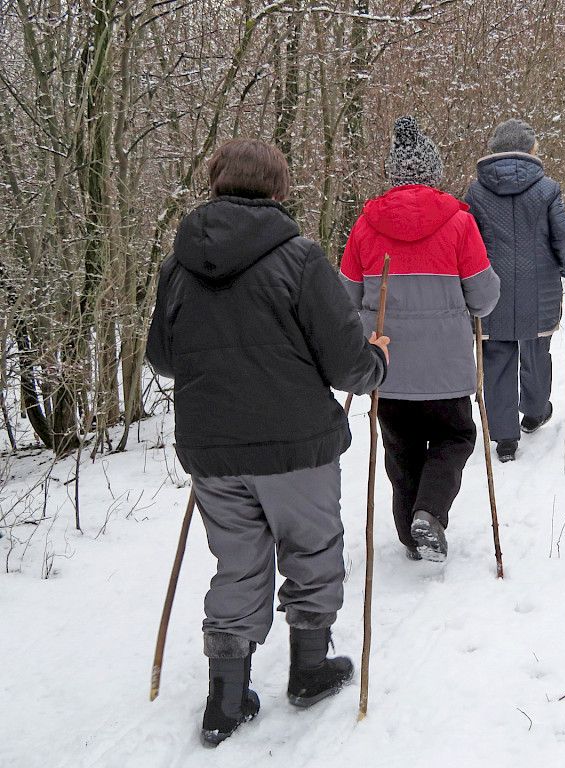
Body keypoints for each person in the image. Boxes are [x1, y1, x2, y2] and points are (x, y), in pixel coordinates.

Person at [146, 138, 389, 747]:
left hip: (213, 448)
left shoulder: (179, 265)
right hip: (295, 444)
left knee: (236, 561)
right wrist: (375, 364)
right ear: (279, 189)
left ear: (214, 182)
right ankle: (309, 670)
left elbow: (161, 357)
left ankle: (225, 699)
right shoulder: (301, 259)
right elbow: (346, 366)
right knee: (311, 547)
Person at [341, 116, 499, 562]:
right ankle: (429, 514)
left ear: (393, 173)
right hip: (447, 366)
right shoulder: (459, 223)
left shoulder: (365, 224)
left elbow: (344, 296)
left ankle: (411, 538)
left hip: (387, 366)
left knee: (402, 449)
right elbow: (484, 296)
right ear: (434, 172)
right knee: (455, 439)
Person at [465, 119, 565, 463]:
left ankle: (504, 438)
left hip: (491, 291)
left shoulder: (476, 191)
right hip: (539, 289)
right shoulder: (547, 189)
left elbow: (467, 242)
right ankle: (534, 412)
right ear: (530, 149)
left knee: (497, 360)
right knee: (535, 351)